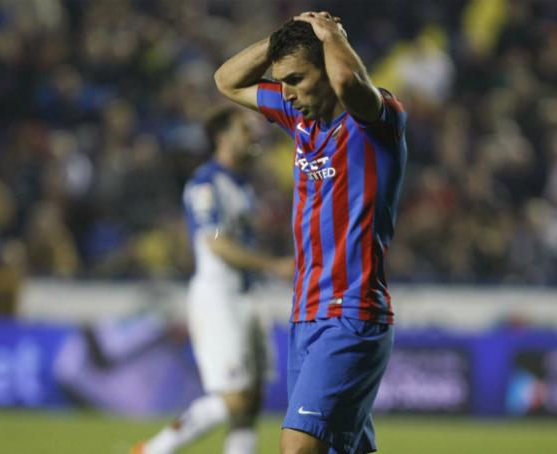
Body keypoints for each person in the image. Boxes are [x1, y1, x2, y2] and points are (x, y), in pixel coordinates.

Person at [214, 11, 407, 454]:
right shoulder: (297, 116)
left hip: (351, 314)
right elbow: (226, 80)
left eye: (298, 78)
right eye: (282, 81)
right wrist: (284, 41)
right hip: (305, 316)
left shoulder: (377, 122)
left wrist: (329, 34)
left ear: (328, 64)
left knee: (297, 447)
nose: (287, 92)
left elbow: (347, 85)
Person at [130, 106, 292, 454]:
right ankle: (153, 450)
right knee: (234, 399)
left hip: (247, 296)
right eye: (244, 130)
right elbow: (214, 242)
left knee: (250, 404)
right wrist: (272, 265)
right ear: (222, 137)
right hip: (219, 297)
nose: (254, 136)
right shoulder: (206, 183)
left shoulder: (243, 187)